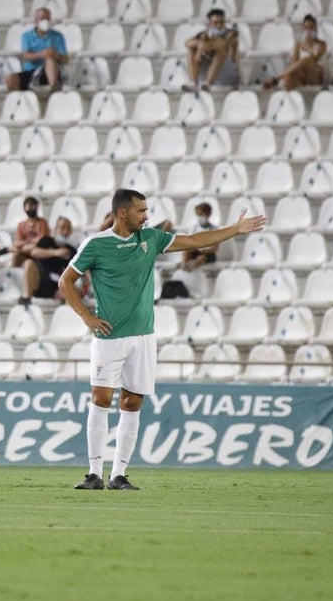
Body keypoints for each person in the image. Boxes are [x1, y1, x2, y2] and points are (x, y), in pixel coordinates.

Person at [60, 189, 266, 491]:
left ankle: (119, 475)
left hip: (143, 336)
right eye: (141, 211)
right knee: (101, 399)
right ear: (122, 213)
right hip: (109, 336)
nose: (146, 215)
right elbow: (66, 281)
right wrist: (87, 317)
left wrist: (234, 230)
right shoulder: (96, 244)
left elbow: (195, 241)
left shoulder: (151, 238)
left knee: (132, 403)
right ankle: (93, 473)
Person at [6, 8, 68, 92]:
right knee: (10, 79)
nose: (45, 21)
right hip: (31, 72)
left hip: (49, 72)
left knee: (49, 59)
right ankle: (20, 101)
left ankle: (53, 92)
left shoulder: (57, 36)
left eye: (48, 19)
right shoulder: (27, 36)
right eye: (42, 19)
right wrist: (41, 54)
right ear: (36, 21)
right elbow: (25, 56)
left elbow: (66, 59)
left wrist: (56, 55)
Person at [19, 217, 78, 306]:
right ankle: (27, 298)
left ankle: (66, 315)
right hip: (41, 282)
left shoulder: (72, 251)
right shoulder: (46, 241)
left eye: (68, 229)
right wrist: (55, 252)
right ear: (55, 229)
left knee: (72, 291)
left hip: (57, 286)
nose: (65, 232)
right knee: (28, 263)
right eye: (62, 228)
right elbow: (34, 252)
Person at [263, 14, 326, 90]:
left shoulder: (322, 44)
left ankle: (277, 79)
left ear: (315, 29)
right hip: (301, 76)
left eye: (311, 28)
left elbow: (314, 60)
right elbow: (294, 64)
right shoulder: (298, 45)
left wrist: (308, 47)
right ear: (303, 29)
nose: (309, 31)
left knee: (306, 60)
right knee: (289, 78)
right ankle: (285, 98)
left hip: (314, 75)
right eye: (306, 28)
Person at [184, 8, 240, 90]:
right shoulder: (204, 34)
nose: (219, 25)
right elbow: (187, 43)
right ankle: (193, 82)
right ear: (210, 23)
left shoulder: (231, 34)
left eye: (221, 22)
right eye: (215, 23)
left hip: (225, 72)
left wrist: (202, 47)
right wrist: (200, 45)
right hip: (207, 70)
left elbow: (221, 44)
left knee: (221, 51)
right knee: (192, 50)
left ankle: (208, 83)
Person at [0, 196, 50, 267]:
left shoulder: (43, 222)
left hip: (38, 251)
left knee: (24, 249)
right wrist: (30, 241)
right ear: (24, 209)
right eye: (29, 207)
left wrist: (25, 243)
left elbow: (42, 240)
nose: (31, 209)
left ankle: (8, 250)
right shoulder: (21, 225)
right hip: (25, 251)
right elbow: (17, 243)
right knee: (15, 256)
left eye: (33, 207)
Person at [183, 202, 219, 269]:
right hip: (196, 250)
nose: (200, 217)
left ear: (208, 214)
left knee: (201, 258)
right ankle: (183, 265)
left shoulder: (214, 229)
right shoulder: (193, 228)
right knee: (186, 251)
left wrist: (205, 250)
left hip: (208, 254)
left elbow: (215, 248)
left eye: (202, 215)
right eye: (198, 215)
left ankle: (192, 268)